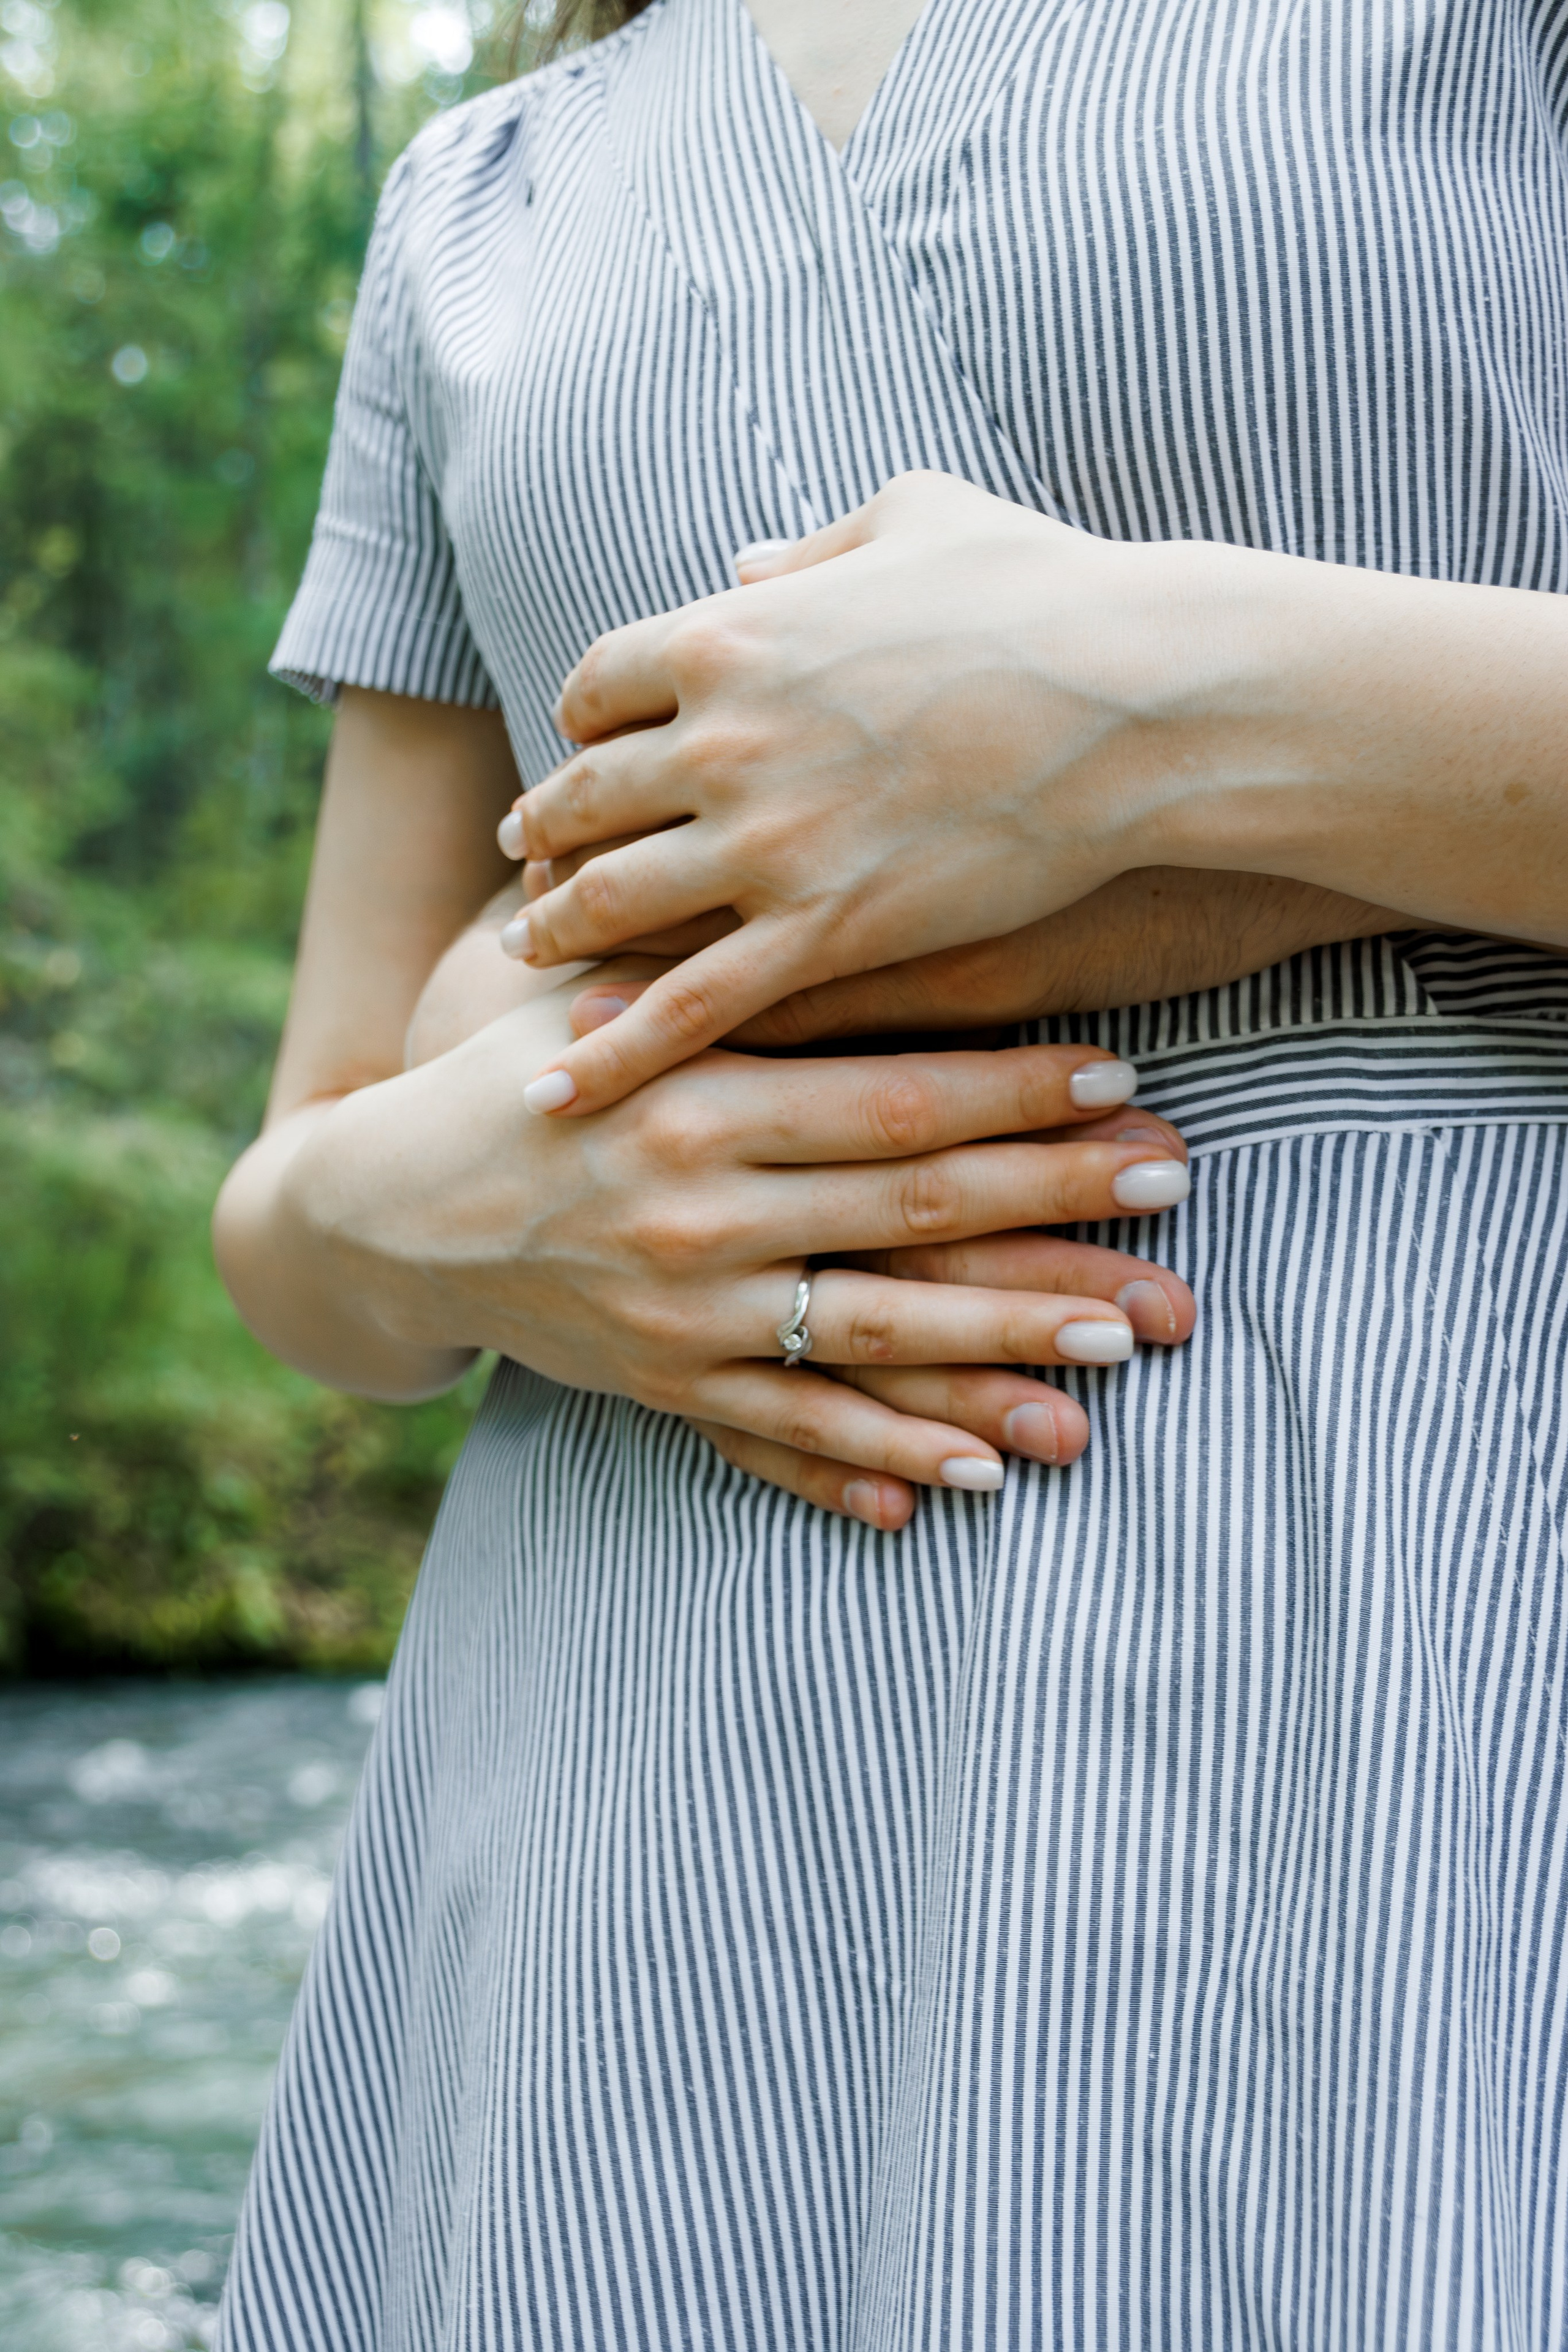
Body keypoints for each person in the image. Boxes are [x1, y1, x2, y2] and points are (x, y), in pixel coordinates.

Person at [213, 0, 1568, 2342]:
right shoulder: (482, 190)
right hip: (633, 1781)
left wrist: (1164, 705)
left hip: (1437, 1649)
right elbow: (312, 1196)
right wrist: (450, 1193)